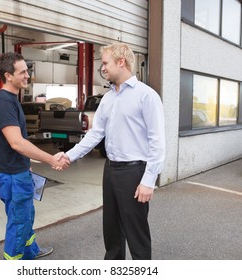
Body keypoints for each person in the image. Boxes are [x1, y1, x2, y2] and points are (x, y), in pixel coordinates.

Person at [63, 43, 165, 260]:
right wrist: (69, 155)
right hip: (110, 170)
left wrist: (149, 180)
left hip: (134, 172)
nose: (103, 68)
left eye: (106, 63)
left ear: (121, 62)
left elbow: (157, 142)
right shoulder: (108, 98)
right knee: (112, 233)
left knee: (136, 234)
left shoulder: (147, 96)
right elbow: (95, 134)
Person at [0, 52, 70, 260]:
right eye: (23, 72)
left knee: (26, 216)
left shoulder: (12, 99)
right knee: (18, 222)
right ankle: (16, 260)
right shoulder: (4, 103)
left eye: (27, 70)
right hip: (12, 177)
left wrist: (26, 164)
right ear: (8, 75)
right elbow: (16, 142)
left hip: (19, 172)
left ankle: (30, 251)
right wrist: (52, 159)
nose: (28, 75)